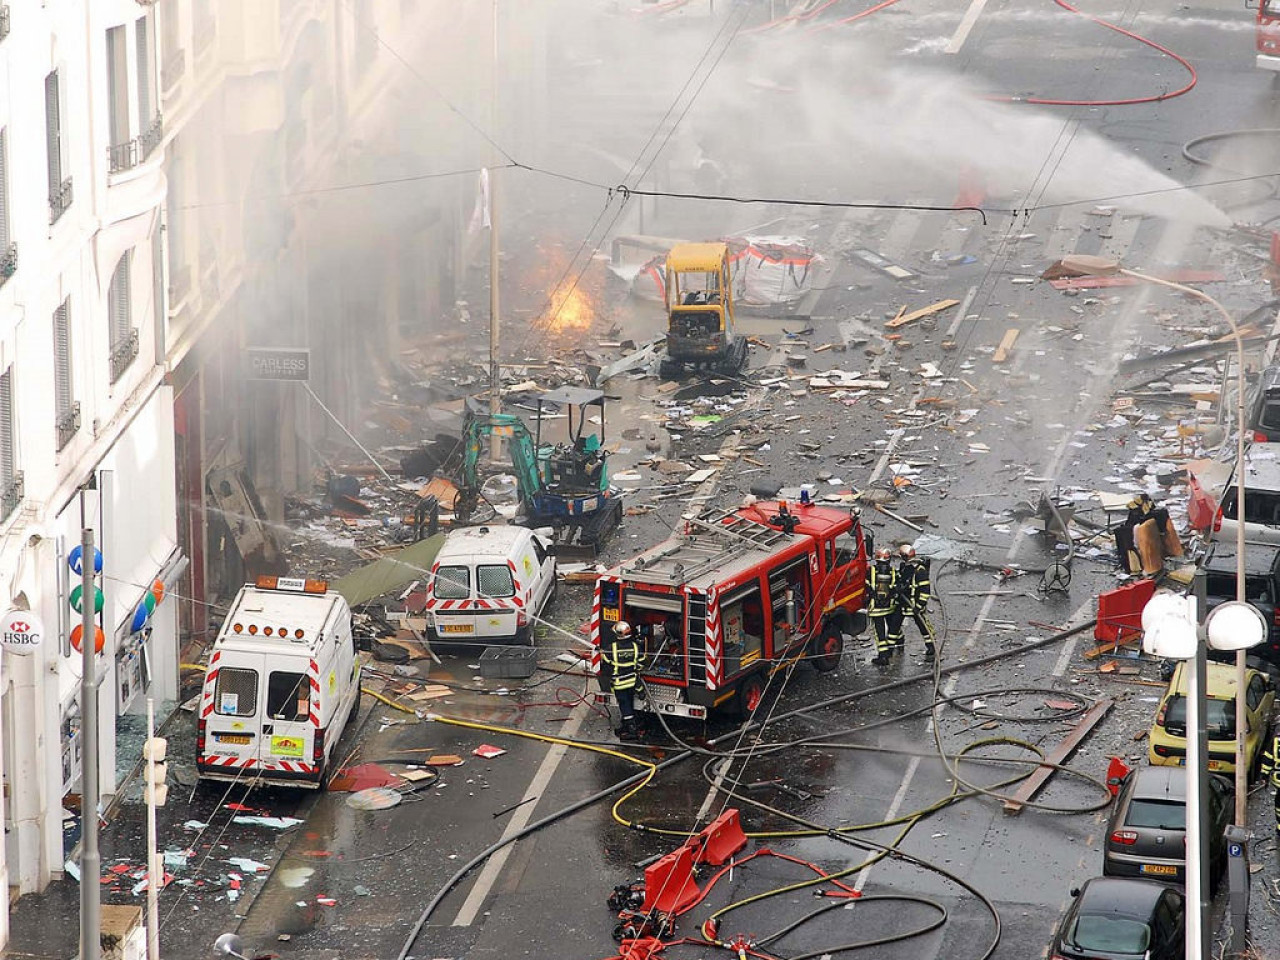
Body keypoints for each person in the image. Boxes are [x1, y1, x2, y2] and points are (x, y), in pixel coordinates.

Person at [601, 621, 644, 740]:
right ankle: (625, 726)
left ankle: (632, 730)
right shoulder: (635, 647)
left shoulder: (612, 648)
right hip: (632, 682)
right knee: (629, 703)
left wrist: (602, 653)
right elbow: (641, 662)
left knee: (625, 707)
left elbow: (606, 662)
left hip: (619, 683)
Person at [898, 545, 936, 660]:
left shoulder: (920, 571)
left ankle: (931, 647)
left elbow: (925, 592)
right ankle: (897, 644)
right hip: (904, 604)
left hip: (915, 605)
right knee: (894, 626)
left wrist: (919, 607)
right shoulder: (905, 567)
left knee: (924, 627)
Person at [868, 548, 902, 666]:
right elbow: (896, 586)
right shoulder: (893, 571)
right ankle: (900, 641)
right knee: (893, 625)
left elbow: (868, 586)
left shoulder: (871, 570)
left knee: (879, 632)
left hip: (876, 607)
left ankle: (883, 656)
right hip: (890, 605)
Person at [1262, 730, 1280, 861]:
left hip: (1278, 780)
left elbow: (1268, 759)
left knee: (1279, 805)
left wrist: (1264, 776)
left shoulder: (1276, 741)